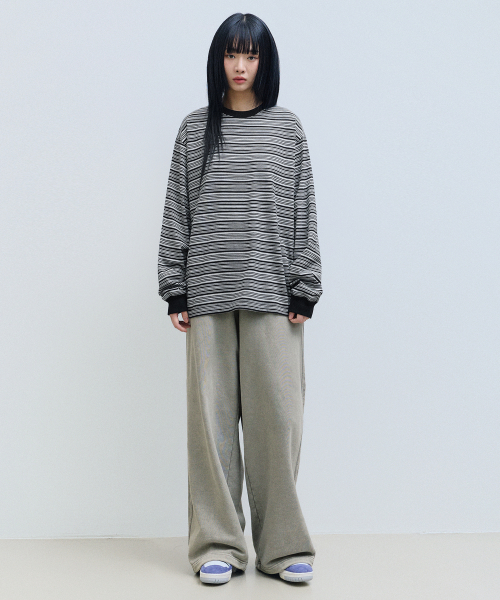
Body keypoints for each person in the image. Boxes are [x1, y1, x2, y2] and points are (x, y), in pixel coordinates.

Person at [157, 12, 323, 585]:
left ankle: (282, 547)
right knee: (212, 426)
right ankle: (218, 545)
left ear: (264, 61)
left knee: (278, 419)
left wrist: (305, 284)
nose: (240, 65)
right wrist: (174, 285)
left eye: (250, 55)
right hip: (206, 292)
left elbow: (303, 209)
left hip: (273, 292)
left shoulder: (286, 129)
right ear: (218, 60)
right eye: (231, 54)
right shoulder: (194, 129)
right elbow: (178, 206)